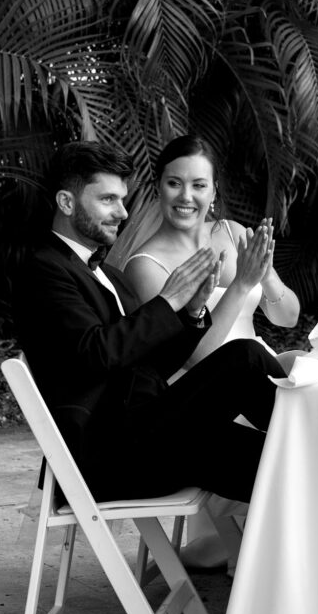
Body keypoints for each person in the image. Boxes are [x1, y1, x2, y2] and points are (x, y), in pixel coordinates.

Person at [11, 141, 287, 507]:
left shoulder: (106, 273)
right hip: (107, 457)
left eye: (122, 200)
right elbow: (96, 353)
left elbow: (148, 363)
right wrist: (168, 300)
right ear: (66, 202)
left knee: (283, 465)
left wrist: (191, 311)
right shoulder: (45, 270)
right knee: (245, 358)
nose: (122, 212)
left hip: (147, 433)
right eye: (108, 200)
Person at [120, 134, 301, 569]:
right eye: (175, 183)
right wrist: (241, 284)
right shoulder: (146, 265)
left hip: (255, 366)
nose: (187, 196)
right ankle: (267, 546)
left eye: (199, 185)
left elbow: (288, 318)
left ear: (214, 191)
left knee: (310, 366)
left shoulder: (232, 233)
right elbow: (194, 357)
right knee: (281, 400)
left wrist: (266, 275)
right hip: (202, 385)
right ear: (158, 188)